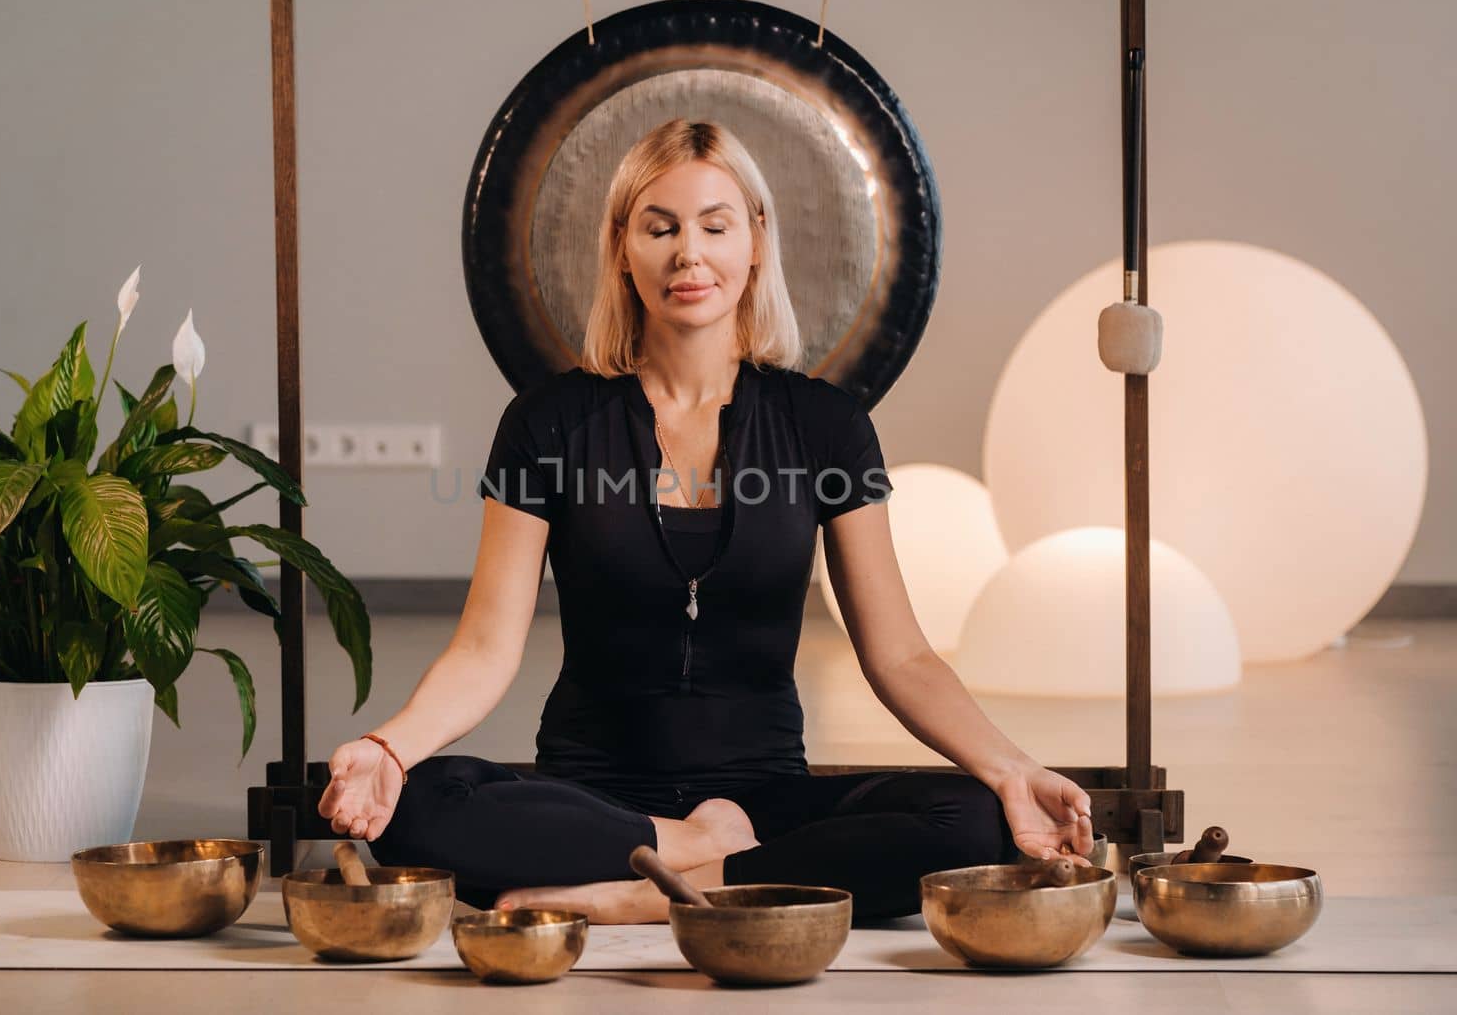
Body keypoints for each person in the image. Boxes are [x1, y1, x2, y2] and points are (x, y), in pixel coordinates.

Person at [317, 119, 1093, 924]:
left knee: (969, 819)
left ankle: (644, 896)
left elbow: (900, 654)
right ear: (622, 247)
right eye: (661, 227)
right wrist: (390, 747)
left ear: (757, 241)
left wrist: (1011, 770)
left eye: (715, 226)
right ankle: (691, 854)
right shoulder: (549, 421)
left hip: (764, 794)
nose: (690, 253)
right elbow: (484, 649)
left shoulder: (824, 424)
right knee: (423, 804)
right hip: (593, 798)